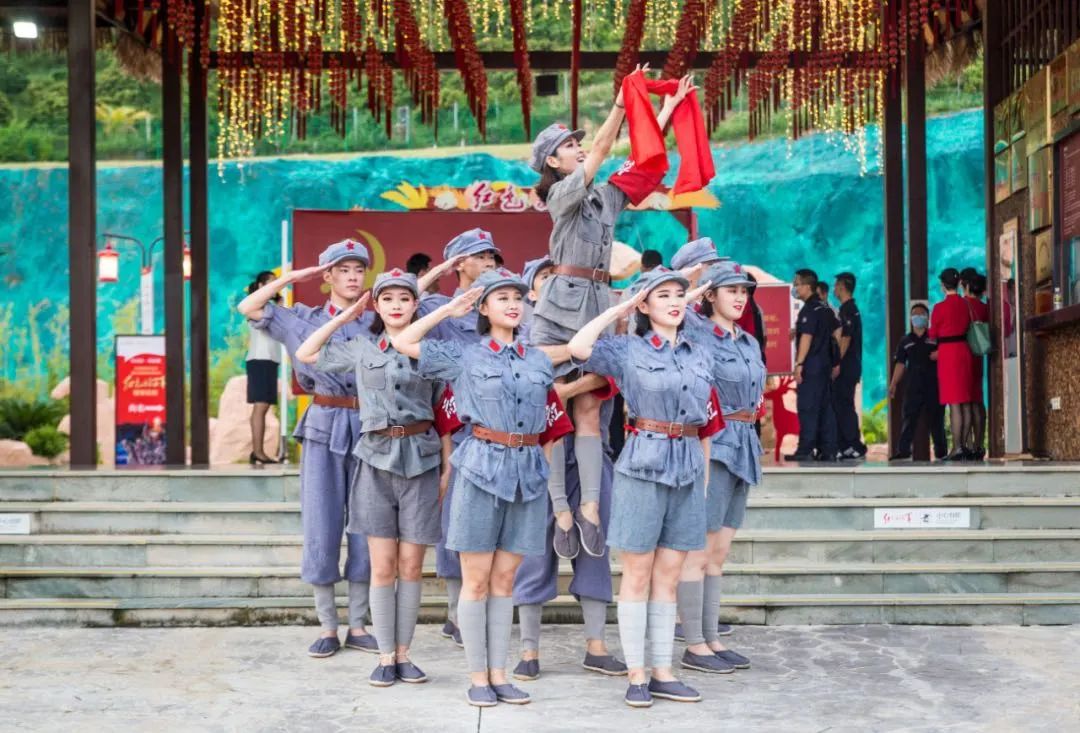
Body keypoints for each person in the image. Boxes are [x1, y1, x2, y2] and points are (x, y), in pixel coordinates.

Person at [529, 68, 697, 562]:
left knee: (589, 409)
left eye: (577, 142)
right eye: (568, 145)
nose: (579, 148)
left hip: (598, 308)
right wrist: (623, 103)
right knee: (549, 409)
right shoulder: (559, 194)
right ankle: (561, 508)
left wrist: (665, 109)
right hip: (558, 310)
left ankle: (589, 508)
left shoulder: (604, 197)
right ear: (553, 162)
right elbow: (604, 149)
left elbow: (642, 161)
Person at [394, 268, 556, 708]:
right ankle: (477, 677)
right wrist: (449, 308)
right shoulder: (464, 354)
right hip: (480, 467)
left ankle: (500, 675)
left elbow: (579, 351)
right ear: (483, 307)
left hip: (526, 473)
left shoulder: (538, 359)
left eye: (517, 297)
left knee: (505, 579)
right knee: (477, 581)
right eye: (501, 298)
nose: (513, 304)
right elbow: (404, 341)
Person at [568, 267, 718, 709]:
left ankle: (663, 672)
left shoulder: (699, 352)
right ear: (645, 305)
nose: (674, 301)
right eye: (663, 295)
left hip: (687, 464)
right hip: (643, 462)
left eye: (679, 294)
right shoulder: (627, 349)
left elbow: (705, 417)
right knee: (637, 574)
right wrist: (620, 309)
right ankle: (637, 675)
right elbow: (579, 347)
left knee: (668, 577)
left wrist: (703, 479)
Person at [294, 269, 454, 687]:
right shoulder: (360, 348)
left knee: (411, 566)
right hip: (375, 461)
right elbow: (307, 353)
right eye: (388, 299)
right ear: (377, 306)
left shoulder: (432, 352)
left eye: (405, 298)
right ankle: (385, 656)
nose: (396, 305)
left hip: (421, 461)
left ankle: (404, 654)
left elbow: (444, 413)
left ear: (416, 305)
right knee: (382, 566)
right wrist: (344, 318)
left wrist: (447, 467)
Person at [237, 239, 377, 658]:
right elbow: (249, 307)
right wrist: (296, 276)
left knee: (366, 526)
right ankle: (327, 626)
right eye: (343, 269)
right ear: (327, 276)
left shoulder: (376, 320)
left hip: (371, 427)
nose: (353, 277)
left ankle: (358, 624)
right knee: (322, 522)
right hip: (323, 425)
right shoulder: (301, 319)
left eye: (358, 269)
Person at [415, 230, 500, 647]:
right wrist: (440, 273)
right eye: (479, 256)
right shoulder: (436, 308)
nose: (489, 263)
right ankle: (456, 613)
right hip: (455, 430)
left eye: (492, 257)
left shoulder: (502, 304)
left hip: (499, 429)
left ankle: (483, 610)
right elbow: (395, 310)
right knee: (457, 522)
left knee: (493, 526)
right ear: (458, 264)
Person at [676, 260, 762, 677]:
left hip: (744, 445)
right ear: (710, 295)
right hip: (715, 446)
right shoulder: (696, 333)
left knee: (719, 552)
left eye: (744, 291)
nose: (740, 297)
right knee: (699, 549)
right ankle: (694, 643)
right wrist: (697, 287)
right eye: (731, 290)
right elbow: (673, 309)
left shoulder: (748, 341)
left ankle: (711, 639)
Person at [786, 269, 839, 462]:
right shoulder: (824, 308)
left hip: (811, 366)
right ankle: (827, 450)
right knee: (824, 407)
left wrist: (799, 363)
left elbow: (807, 338)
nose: (795, 288)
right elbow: (837, 331)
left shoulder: (808, 310)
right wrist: (835, 360)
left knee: (808, 407)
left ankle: (806, 449)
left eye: (797, 284)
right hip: (824, 365)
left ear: (807, 286)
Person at [888, 303, 947, 460]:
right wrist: (893, 384)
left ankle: (941, 453)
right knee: (909, 418)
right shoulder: (905, 340)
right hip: (913, 385)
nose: (918, 317)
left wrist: (941, 354)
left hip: (934, 385)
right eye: (915, 314)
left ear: (927, 318)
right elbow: (900, 364)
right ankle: (903, 451)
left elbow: (948, 354)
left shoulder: (935, 338)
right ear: (911, 318)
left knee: (937, 420)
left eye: (922, 314)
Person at [929, 268, 975, 460]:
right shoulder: (966, 304)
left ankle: (957, 447)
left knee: (954, 403)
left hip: (948, 354)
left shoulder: (939, 308)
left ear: (942, 285)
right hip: (964, 351)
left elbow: (933, 334)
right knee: (965, 401)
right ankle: (965, 445)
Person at [245, 270, 282, 464]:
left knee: (265, 405)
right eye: (271, 282)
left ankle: (258, 451)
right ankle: (257, 451)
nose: (275, 286)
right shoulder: (256, 303)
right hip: (259, 359)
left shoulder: (271, 306)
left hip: (270, 359)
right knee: (260, 405)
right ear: (261, 285)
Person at [833, 272, 866, 459]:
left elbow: (846, 338)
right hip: (850, 366)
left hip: (847, 366)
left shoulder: (848, 310)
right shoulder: (848, 309)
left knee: (845, 405)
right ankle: (845, 445)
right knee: (841, 404)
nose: (834, 289)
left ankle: (855, 444)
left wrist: (837, 362)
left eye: (836, 285)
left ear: (842, 287)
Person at [965, 273, 990, 460]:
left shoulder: (963, 304)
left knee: (966, 402)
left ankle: (966, 445)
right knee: (978, 400)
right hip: (978, 356)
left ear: (966, 287)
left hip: (964, 355)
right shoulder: (986, 307)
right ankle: (979, 444)